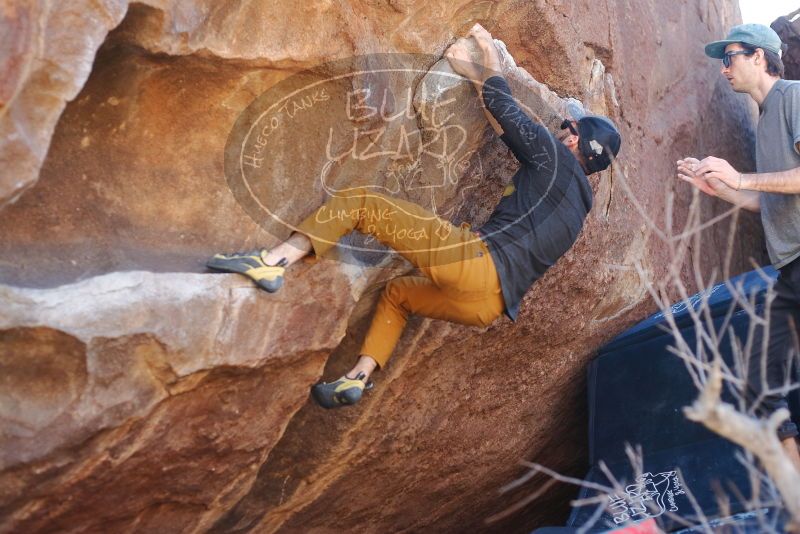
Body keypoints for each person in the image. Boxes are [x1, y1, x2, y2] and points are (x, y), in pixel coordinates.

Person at [208, 24, 621, 409]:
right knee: (398, 295)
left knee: (361, 204)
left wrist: (486, 55)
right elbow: (507, 131)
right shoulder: (575, 206)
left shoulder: (555, 159)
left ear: (574, 140)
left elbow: (503, 106)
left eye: (568, 128)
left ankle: (273, 262)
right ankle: (357, 377)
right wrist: (472, 74)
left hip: (472, 262)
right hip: (486, 306)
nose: (561, 130)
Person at [676, 23, 800, 467]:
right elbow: (769, 200)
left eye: (730, 57)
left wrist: (741, 176)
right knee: (761, 385)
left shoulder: (793, 96)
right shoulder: (764, 119)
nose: (724, 68)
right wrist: (721, 188)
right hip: (789, 271)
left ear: (759, 57)